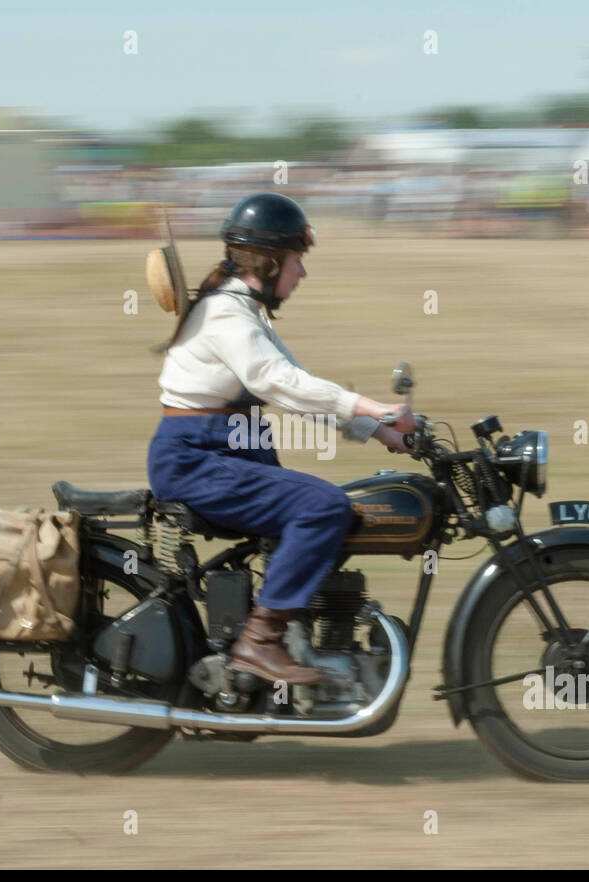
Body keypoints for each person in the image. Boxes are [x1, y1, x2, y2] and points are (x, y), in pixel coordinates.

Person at [147, 193, 414, 685]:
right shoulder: (227, 314)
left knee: (338, 512)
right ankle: (259, 642)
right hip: (198, 459)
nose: (302, 275)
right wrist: (372, 407)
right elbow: (280, 383)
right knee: (323, 507)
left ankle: (299, 634)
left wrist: (378, 431)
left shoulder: (241, 310)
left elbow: (297, 383)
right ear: (270, 264)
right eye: (298, 262)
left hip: (226, 451)